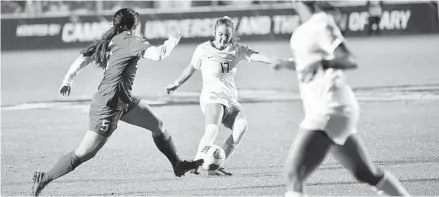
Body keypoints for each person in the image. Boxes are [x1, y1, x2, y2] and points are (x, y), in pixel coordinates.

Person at [32, 8, 203, 196]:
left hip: (123, 99)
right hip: (109, 104)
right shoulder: (130, 41)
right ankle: (45, 177)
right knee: (84, 153)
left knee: (157, 125)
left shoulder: (112, 39)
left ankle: (177, 165)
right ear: (135, 25)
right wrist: (174, 39)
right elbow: (159, 54)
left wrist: (68, 80)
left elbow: (84, 57)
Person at [272, 1, 410, 197]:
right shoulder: (306, 28)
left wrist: (322, 63)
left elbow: (348, 59)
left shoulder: (321, 23)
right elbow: (308, 63)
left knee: (294, 175)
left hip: (329, 109)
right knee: (366, 173)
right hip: (331, 111)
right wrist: (286, 64)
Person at [165, 16, 287, 176]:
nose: (223, 38)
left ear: (232, 35)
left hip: (230, 99)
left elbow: (259, 57)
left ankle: (214, 165)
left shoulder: (236, 50)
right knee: (212, 131)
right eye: (221, 34)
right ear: (214, 32)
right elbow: (190, 68)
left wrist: (278, 60)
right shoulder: (203, 49)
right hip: (212, 96)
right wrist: (176, 83)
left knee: (241, 128)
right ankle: (195, 164)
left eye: (227, 35)